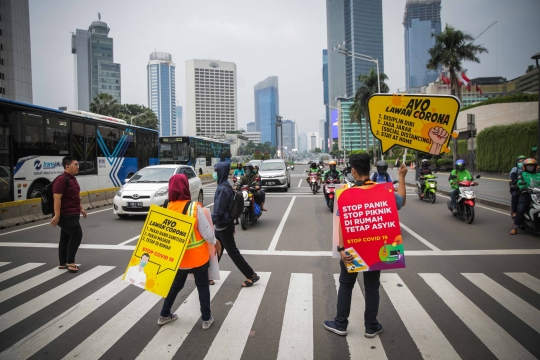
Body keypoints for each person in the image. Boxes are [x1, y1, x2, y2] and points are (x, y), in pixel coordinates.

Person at [324, 153, 407, 338]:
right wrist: (401, 177)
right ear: (369, 169)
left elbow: (342, 224)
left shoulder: (346, 193)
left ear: (353, 171)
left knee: (346, 285)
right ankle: (371, 326)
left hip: (351, 251)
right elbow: (402, 200)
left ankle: (340, 324)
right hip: (376, 250)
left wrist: (341, 249)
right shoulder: (383, 191)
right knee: (372, 287)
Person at [158, 174, 221, 328]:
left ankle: (164, 315)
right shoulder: (194, 207)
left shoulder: (166, 206)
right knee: (203, 286)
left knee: (175, 287)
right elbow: (206, 231)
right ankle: (206, 319)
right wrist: (216, 242)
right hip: (197, 258)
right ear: (186, 187)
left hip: (178, 259)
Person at [213, 161, 260, 287]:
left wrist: (208, 222)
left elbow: (219, 210)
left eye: (216, 171)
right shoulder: (225, 186)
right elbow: (230, 207)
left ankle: (251, 275)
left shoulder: (223, 189)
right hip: (223, 225)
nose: (214, 174)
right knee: (216, 249)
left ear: (221, 172)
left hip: (223, 225)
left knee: (232, 252)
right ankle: (209, 275)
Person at [50, 156, 87, 273]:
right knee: (76, 234)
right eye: (75, 164)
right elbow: (57, 198)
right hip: (66, 214)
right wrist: (57, 215)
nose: (78, 167)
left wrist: (81, 208)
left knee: (65, 237)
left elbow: (74, 196)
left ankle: (62, 262)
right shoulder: (61, 179)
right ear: (67, 166)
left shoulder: (72, 178)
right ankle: (70, 261)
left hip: (73, 212)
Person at [511, 158, 539, 235]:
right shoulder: (522, 174)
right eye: (528, 166)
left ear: (535, 167)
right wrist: (524, 188)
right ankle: (515, 227)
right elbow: (519, 182)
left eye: (532, 166)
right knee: (520, 208)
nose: (530, 167)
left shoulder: (538, 174)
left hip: (537, 194)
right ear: (525, 167)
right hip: (526, 193)